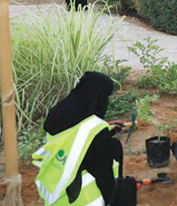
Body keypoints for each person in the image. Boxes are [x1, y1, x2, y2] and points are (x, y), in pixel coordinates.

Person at [32, 72, 123, 206]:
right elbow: (104, 178)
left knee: (112, 144)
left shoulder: (57, 114)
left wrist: (107, 132)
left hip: (55, 193)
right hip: (82, 200)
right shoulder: (97, 131)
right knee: (114, 148)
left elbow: (72, 140)